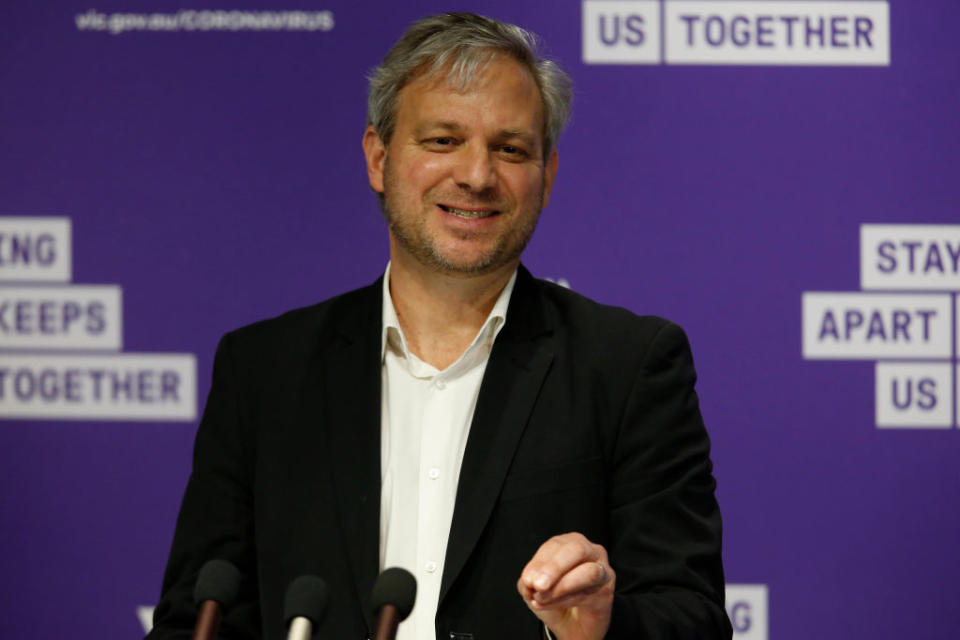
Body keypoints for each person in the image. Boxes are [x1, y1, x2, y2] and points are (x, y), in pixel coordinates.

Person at [148, 12, 731, 640]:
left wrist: (598, 627)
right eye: (443, 141)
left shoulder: (627, 366)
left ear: (547, 176)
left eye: (510, 149)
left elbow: (691, 618)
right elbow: (197, 617)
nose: (477, 176)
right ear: (378, 157)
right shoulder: (265, 371)